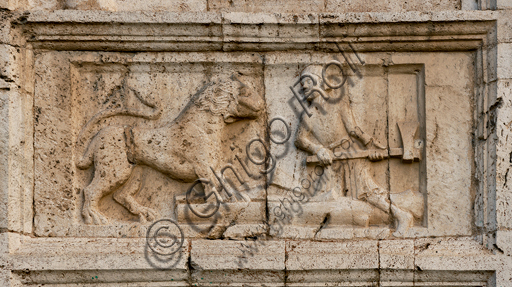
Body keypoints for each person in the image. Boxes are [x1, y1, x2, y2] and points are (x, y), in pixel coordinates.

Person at [294, 64, 414, 236]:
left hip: (351, 153)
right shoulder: (308, 114)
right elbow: (300, 139)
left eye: (307, 81)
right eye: (301, 83)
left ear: (322, 83)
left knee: (365, 191)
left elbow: (353, 129)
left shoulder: (338, 104)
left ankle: (401, 215)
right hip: (331, 159)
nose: (303, 86)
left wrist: (371, 145)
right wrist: (318, 149)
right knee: (329, 198)